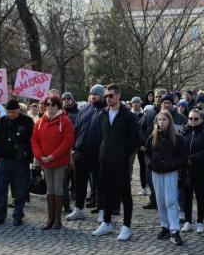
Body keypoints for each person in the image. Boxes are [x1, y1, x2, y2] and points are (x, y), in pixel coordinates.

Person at [92, 84, 140, 241]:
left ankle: (126, 226)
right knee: (106, 191)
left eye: (111, 96)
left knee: (124, 193)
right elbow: (101, 135)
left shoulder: (128, 115)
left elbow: (135, 140)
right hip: (104, 159)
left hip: (121, 161)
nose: (108, 99)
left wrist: (123, 154)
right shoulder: (103, 114)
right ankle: (106, 222)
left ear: (118, 96)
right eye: (106, 96)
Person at [31, 94, 75, 230]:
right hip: (45, 160)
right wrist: (40, 156)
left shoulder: (65, 121)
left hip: (59, 160)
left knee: (58, 189)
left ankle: (58, 219)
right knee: (50, 190)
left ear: (58, 106)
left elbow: (67, 141)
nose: (49, 107)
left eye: (53, 105)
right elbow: (34, 140)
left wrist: (53, 156)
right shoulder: (39, 122)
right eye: (47, 105)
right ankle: (50, 218)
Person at [145, 110, 188, 245]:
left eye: (164, 120)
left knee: (170, 201)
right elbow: (147, 154)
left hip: (170, 172)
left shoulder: (178, 138)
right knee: (160, 201)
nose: (161, 122)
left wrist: (174, 164)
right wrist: (150, 163)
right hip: (156, 172)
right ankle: (165, 227)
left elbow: (184, 156)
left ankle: (174, 230)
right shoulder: (152, 138)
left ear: (169, 121)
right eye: (159, 120)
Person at [0, 99, 34, 227]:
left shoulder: (27, 121)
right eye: (9, 112)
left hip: (21, 161)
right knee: (0, 190)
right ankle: (0, 216)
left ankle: (18, 215)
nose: (11, 115)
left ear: (18, 110)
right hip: (4, 160)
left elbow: (32, 140)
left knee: (20, 190)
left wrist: (27, 155)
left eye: (14, 112)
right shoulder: (2, 120)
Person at [67, 84, 106, 221]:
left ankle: (102, 210)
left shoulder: (106, 110)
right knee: (79, 182)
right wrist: (73, 147)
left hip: (97, 154)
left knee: (100, 183)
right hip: (80, 152)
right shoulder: (84, 109)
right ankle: (78, 209)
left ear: (102, 96)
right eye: (91, 93)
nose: (93, 96)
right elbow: (76, 129)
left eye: (96, 94)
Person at [181, 108, 204, 234]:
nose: (193, 121)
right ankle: (188, 221)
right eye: (190, 118)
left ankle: (200, 221)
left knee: (200, 196)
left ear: (201, 119)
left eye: (196, 119)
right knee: (187, 196)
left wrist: (192, 158)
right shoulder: (185, 132)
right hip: (186, 170)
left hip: (201, 169)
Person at [130, 97, 150, 196]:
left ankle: (143, 187)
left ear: (141, 103)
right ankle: (126, 185)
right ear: (131, 104)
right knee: (128, 166)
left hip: (142, 145)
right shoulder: (128, 114)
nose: (136, 104)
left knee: (143, 166)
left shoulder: (145, 114)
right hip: (131, 145)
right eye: (134, 102)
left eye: (138, 102)